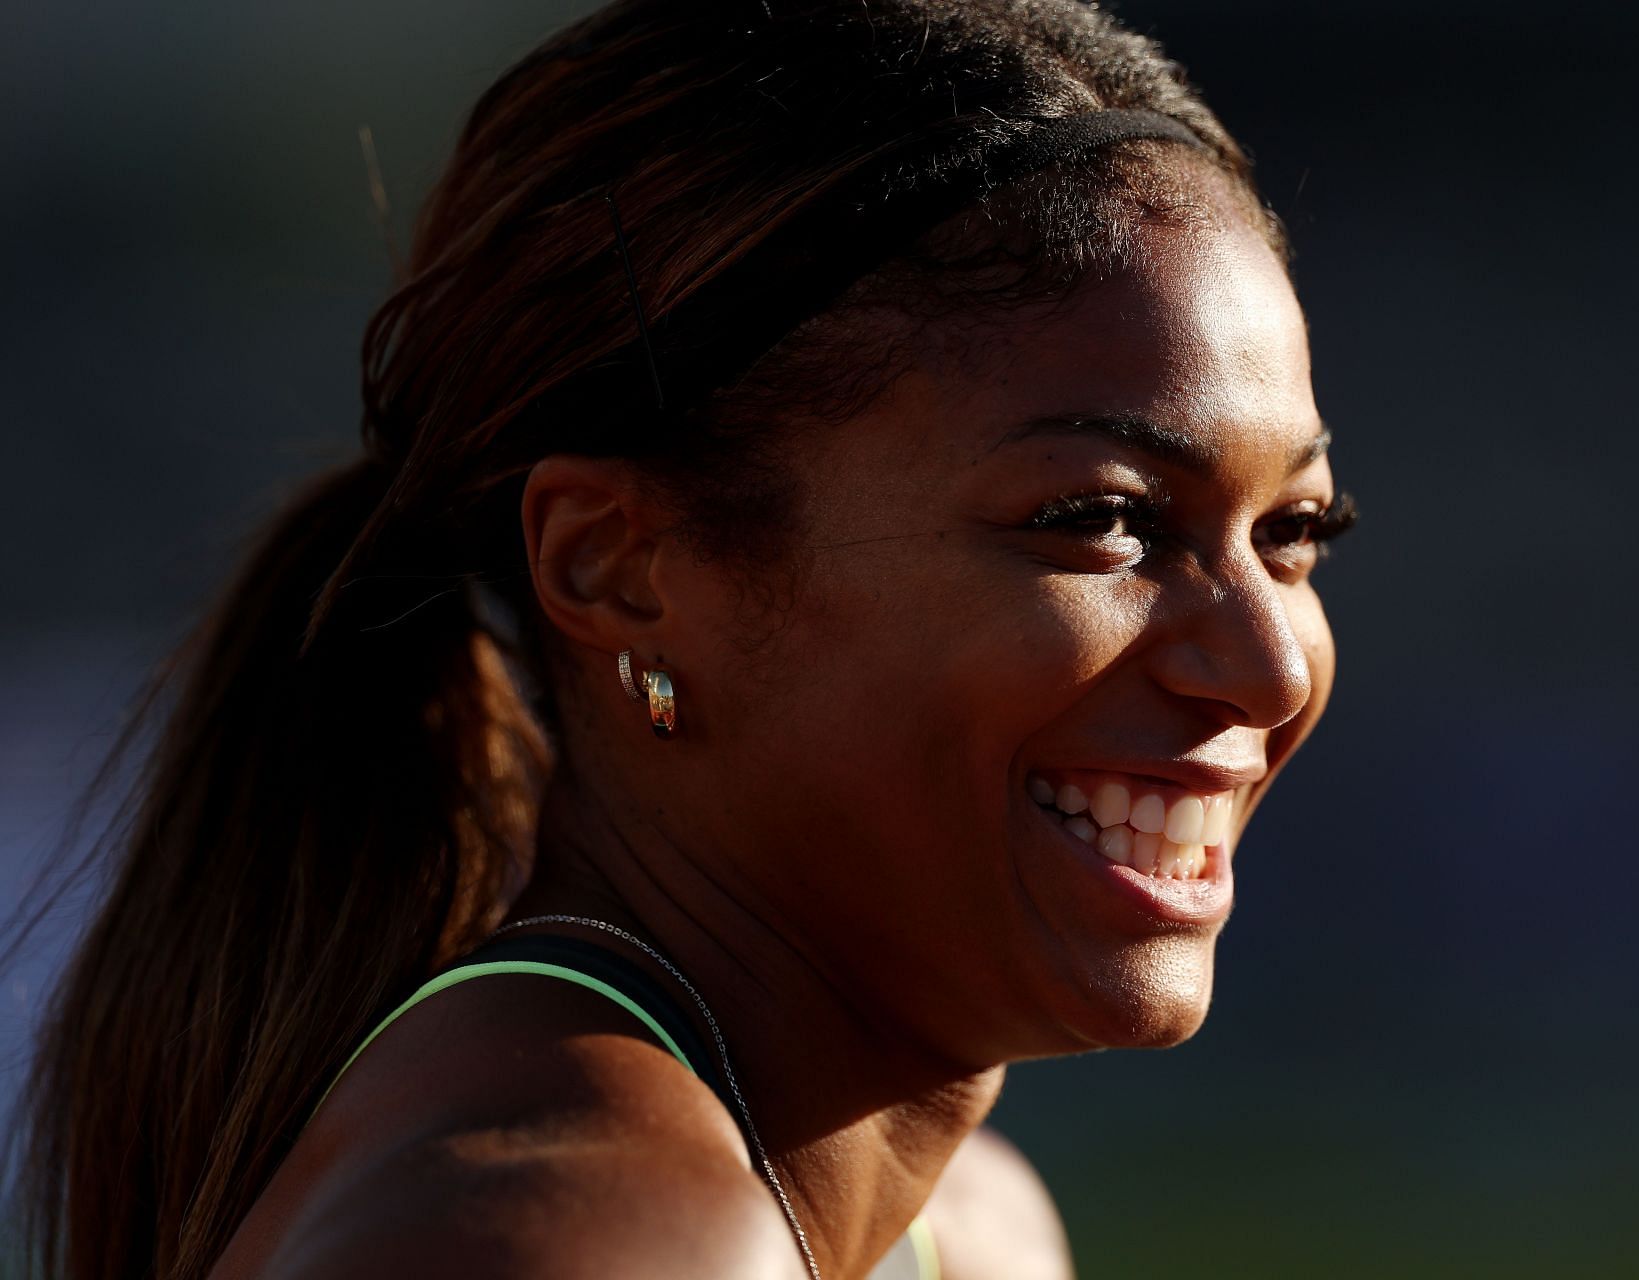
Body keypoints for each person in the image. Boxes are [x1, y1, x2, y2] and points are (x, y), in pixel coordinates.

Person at [15, 1, 1353, 1276]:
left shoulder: (967, 1230)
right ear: (621, 566)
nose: (1269, 664)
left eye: (1294, 533)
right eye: (1101, 520)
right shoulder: (588, 1233)